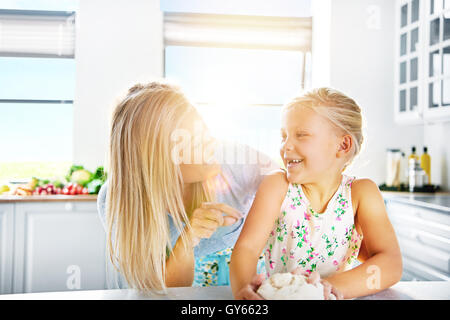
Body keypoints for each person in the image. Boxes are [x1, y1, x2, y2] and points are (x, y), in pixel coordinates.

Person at [97, 81, 276, 292]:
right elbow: (166, 291)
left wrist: (253, 236)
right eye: (196, 141)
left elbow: (287, 180)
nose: (211, 142)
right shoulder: (117, 199)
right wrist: (188, 238)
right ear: (160, 161)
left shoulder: (235, 160)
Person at [230, 87, 403, 300]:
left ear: (343, 145)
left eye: (301, 135)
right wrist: (244, 289)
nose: (286, 146)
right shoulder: (277, 186)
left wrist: (321, 288)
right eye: (284, 136)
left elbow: (390, 263)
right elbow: (246, 248)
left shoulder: (361, 194)